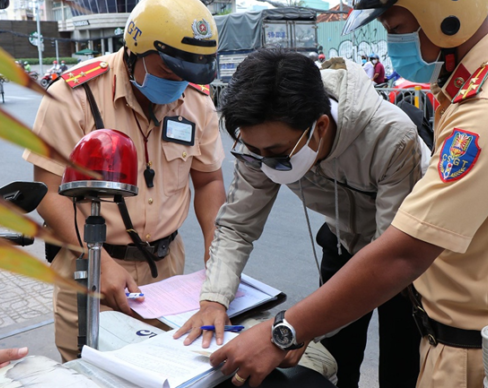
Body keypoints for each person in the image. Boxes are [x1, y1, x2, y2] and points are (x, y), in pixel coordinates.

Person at [207, 0, 488, 387]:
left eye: (395, 27)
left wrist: (283, 332)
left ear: (444, 13)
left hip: (474, 355)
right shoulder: (484, 83)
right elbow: (240, 222)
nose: (392, 41)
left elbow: (399, 256)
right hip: (463, 336)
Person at [175, 49, 430, 388]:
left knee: (403, 360)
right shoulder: (264, 144)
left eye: (277, 155)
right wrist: (214, 299)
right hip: (343, 240)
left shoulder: (390, 136)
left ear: (320, 126)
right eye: (256, 151)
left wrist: (294, 328)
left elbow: (388, 260)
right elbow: (236, 226)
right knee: (334, 359)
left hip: (404, 254)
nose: (265, 163)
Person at [23, 0, 226, 362]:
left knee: (165, 369)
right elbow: (46, 192)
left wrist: (218, 252)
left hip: (167, 276)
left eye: (188, 74)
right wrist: (98, 261)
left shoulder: (197, 102)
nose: (178, 83)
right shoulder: (73, 97)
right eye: (168, 71)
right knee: (91, 373)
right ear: (135, 50)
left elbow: (209, 181)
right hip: (89, 269)